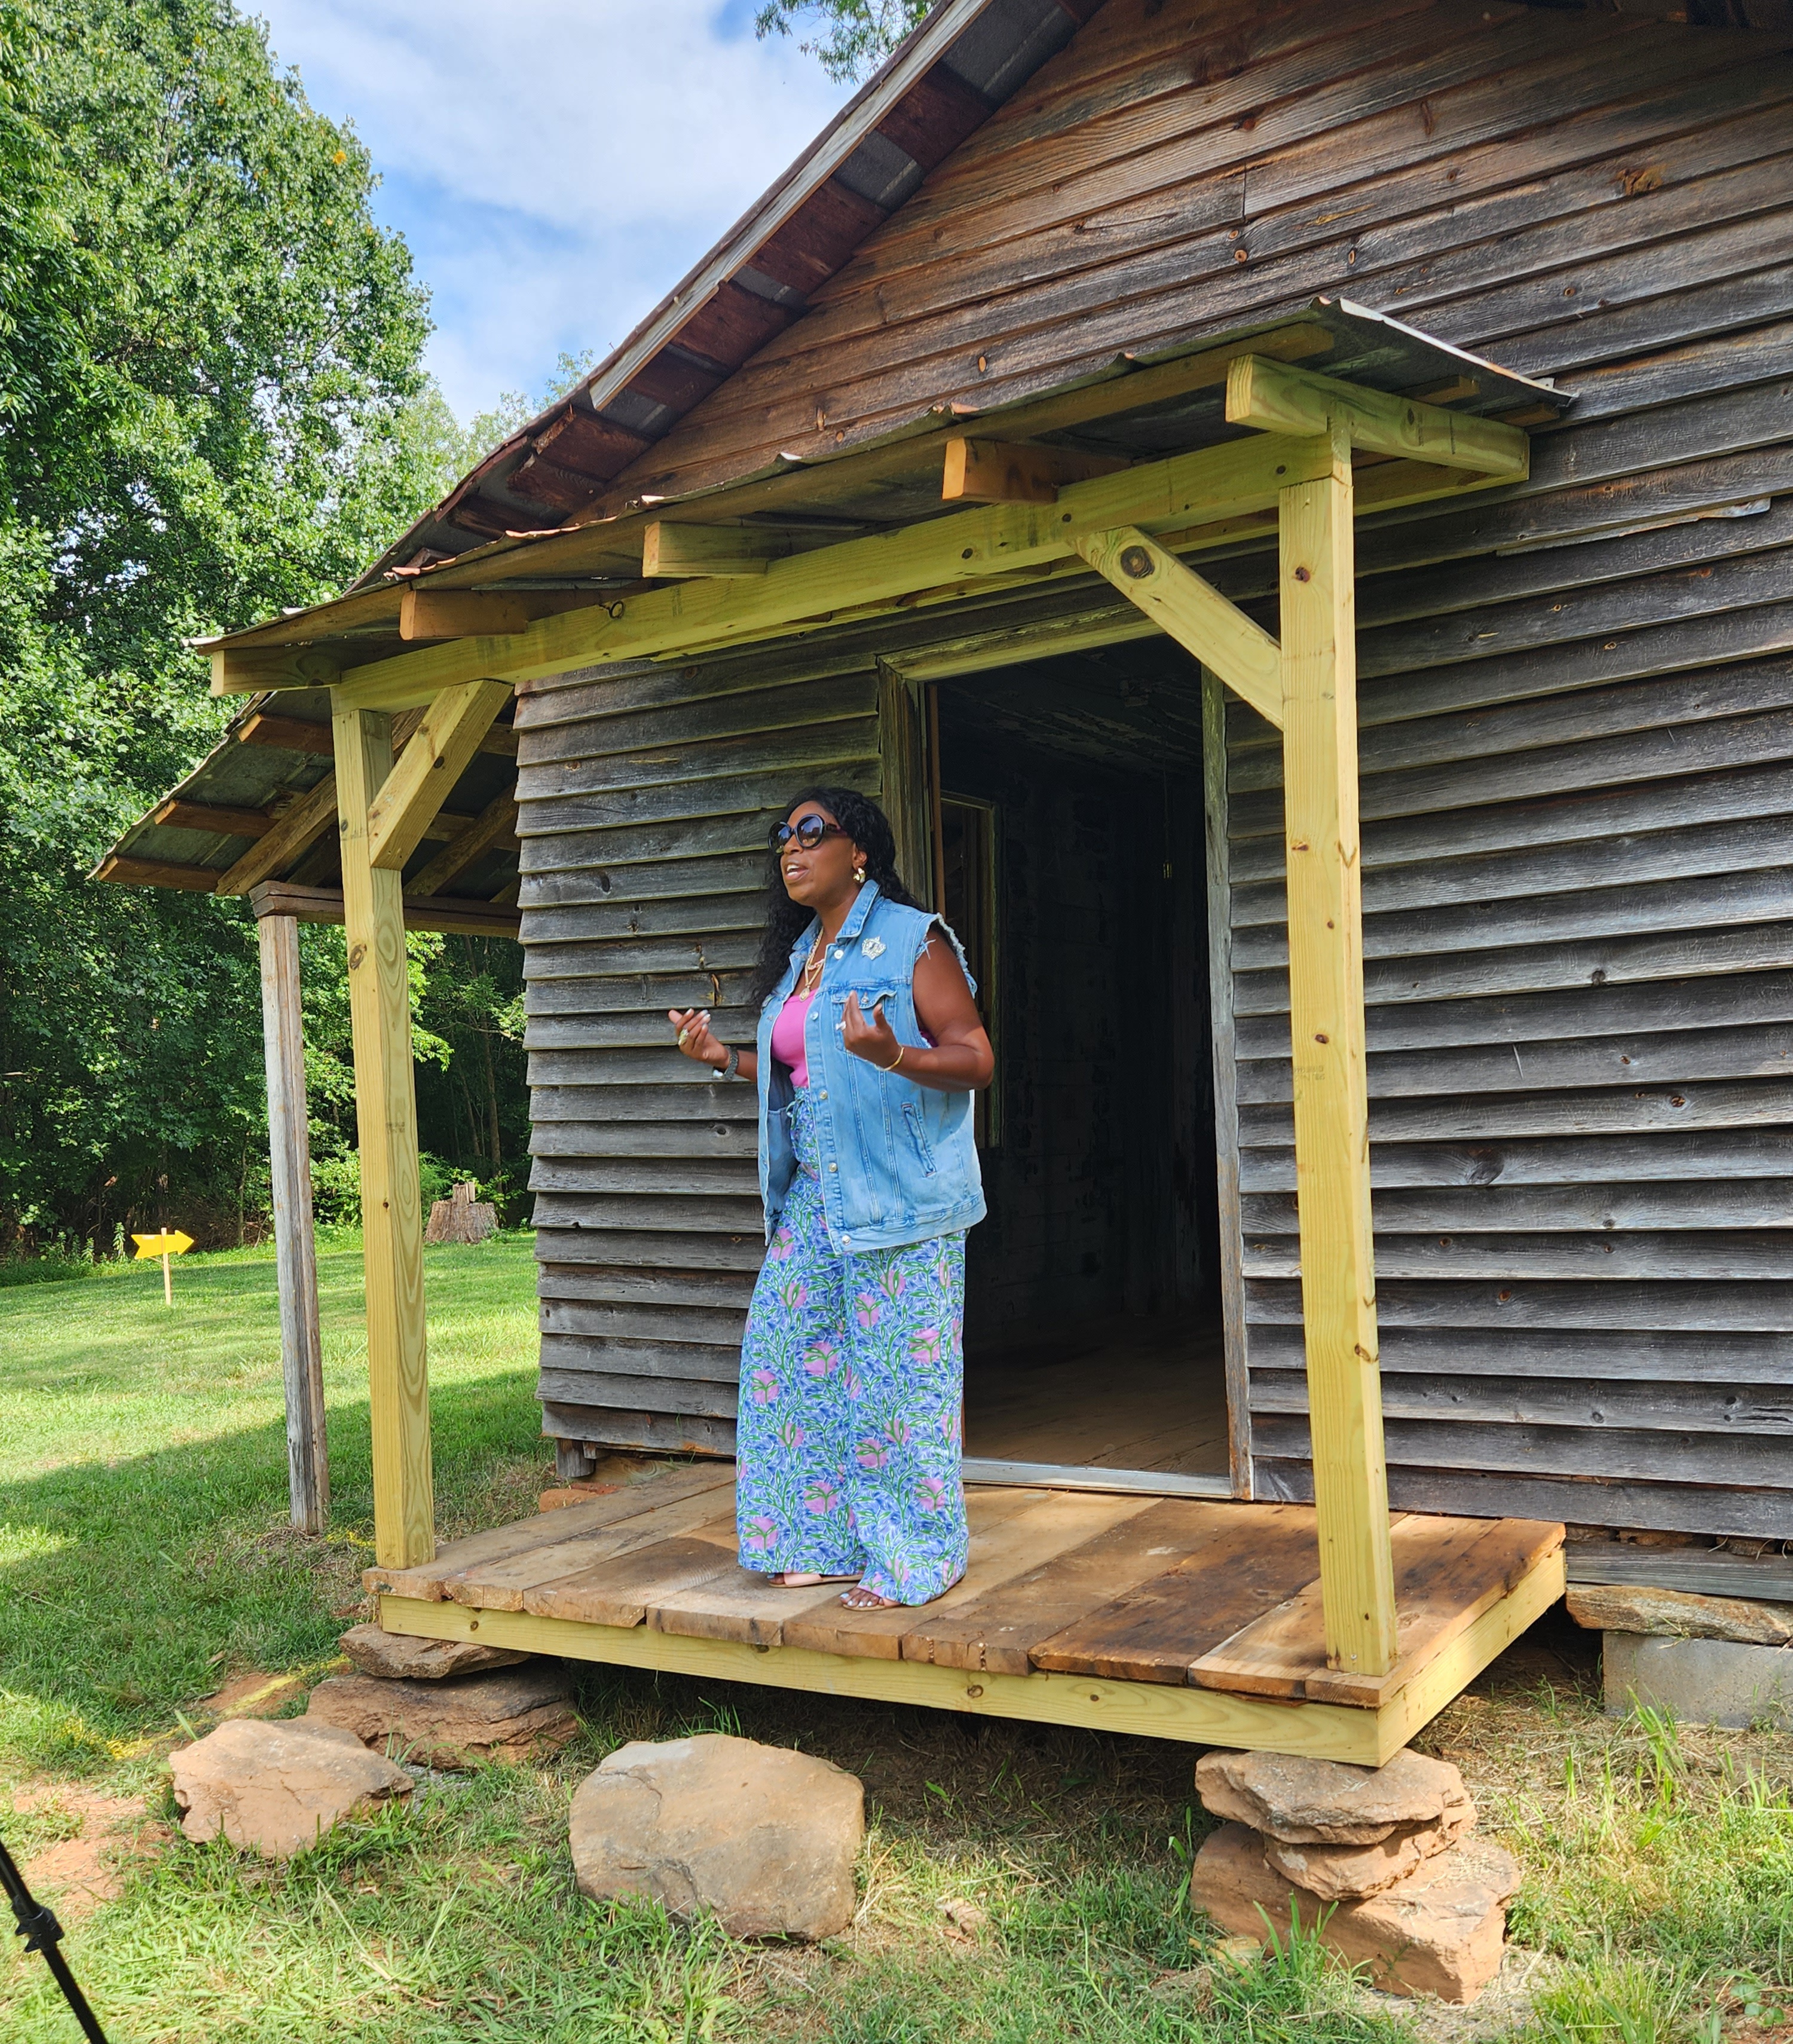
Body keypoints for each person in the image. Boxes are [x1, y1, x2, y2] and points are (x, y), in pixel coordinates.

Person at [669, 787, 994, 1610]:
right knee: (788, 1366)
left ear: (860, 852)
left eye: (812, 832)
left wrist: (895, 1057)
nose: (792, 846)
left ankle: (917, 1556)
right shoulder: (800, 960)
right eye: (783, 834)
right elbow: (798, 1071)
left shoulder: (911, 941)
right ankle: (821, 1538)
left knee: (896, 1383)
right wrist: (721, 1058)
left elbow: (976, 1057)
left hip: (900, 1200)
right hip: (815, 1199)